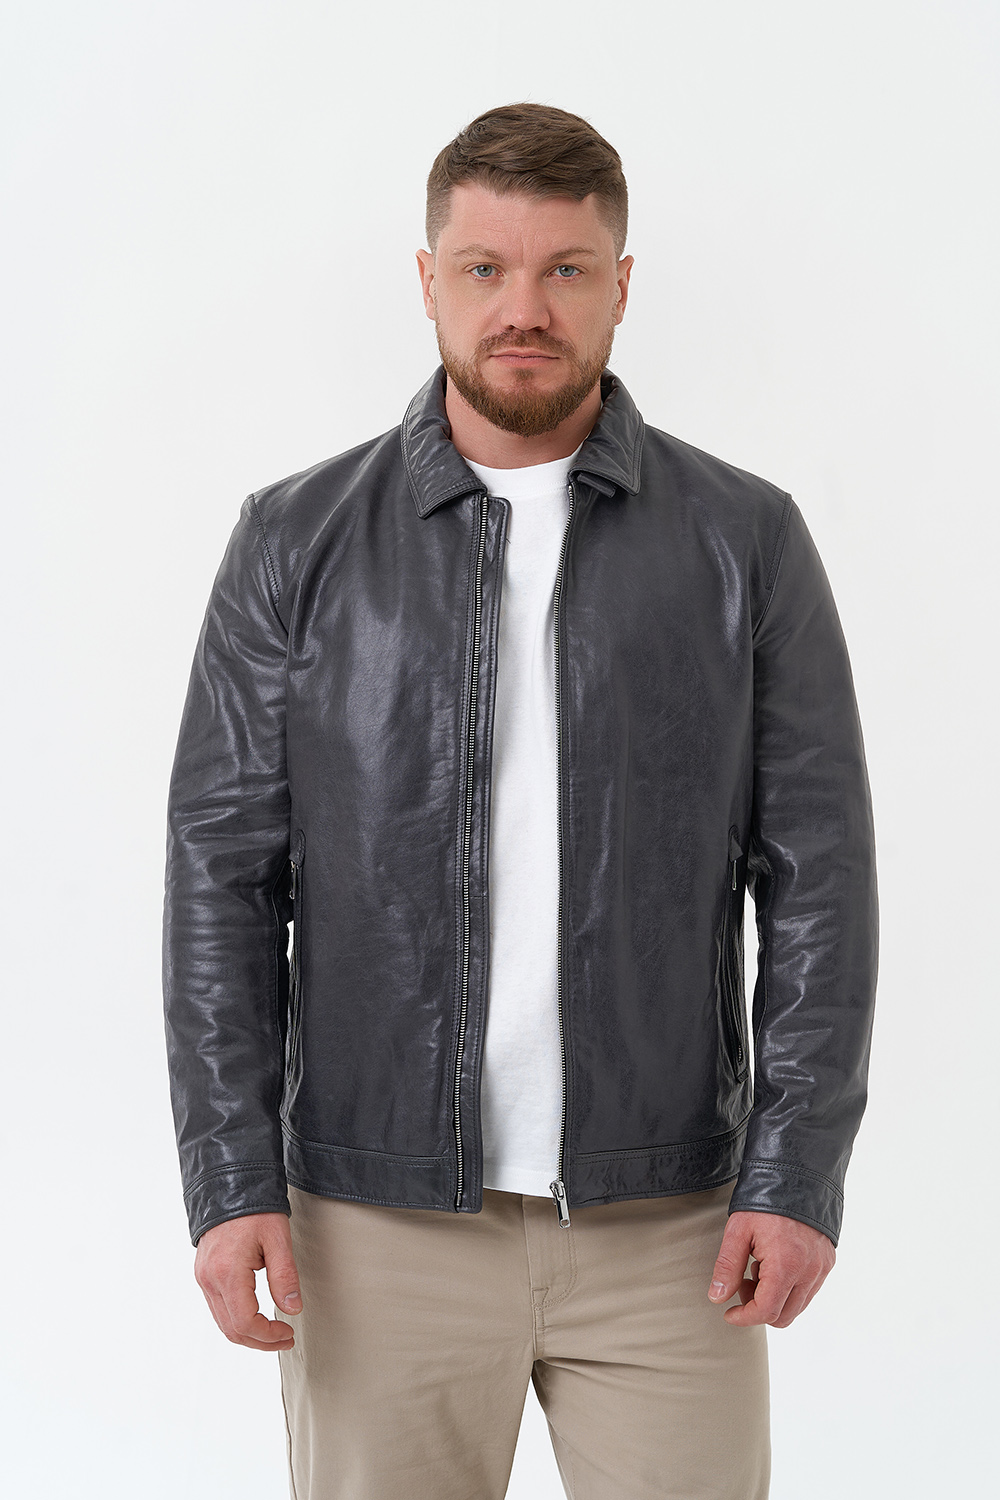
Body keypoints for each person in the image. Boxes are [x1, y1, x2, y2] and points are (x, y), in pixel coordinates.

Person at [162, 101, 878, 1500]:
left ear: (623, 284)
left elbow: (820, 880)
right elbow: (222, 880)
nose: (525, 308)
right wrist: (231, 1180)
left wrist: (795, 1173)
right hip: (375, 1223)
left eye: (566, 268)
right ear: (429, 280)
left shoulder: (745, 540)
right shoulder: (295, 542)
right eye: (485, 267)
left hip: (674, 1225)